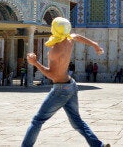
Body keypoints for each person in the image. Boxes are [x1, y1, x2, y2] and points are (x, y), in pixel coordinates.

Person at [22, 17, 107, 147]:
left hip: (60, 88)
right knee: (77, 122)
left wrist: (35, 63)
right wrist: (94, 44)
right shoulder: (69, 39)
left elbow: (52, 75)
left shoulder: (55, 51)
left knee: (37, 120)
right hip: (71, 85)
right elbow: (77, 36)